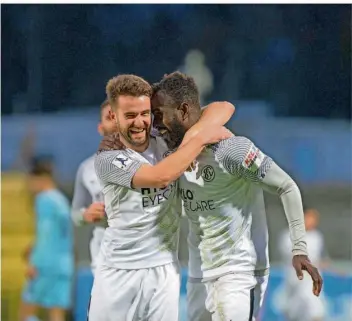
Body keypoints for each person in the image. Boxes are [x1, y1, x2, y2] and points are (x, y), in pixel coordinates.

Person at [148, 71, 323, 321]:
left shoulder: (231, 149)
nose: (155, 125)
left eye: (158, 115)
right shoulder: (171, 155)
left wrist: (300, 249)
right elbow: (221, 108)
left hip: (238, 274)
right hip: (198, 276)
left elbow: (287, 186)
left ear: (183, 110)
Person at [90, 74, 235, 321]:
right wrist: (201, 138)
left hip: (164, 270)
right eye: (130, 116)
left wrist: (192, 137)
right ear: (113, 117)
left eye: (145, 114)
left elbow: (224, 108)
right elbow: (160, 177)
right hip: (118, 273)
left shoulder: (164, 140)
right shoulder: (108, 158)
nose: (140, 122)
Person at [20, 157, 74, 321]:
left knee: (26, 312)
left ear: (40, 179)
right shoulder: (61, 200)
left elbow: (45, 233)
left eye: (31, 180)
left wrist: (34, 263)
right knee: (56, 314)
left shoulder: (44, 200)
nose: (29, 185)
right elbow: (58, 233)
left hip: (45, 264)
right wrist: (33, 246)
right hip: (64, 264)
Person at [71, 99, 117, 274]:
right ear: (101, 128)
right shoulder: (87, 168)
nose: (116, 122)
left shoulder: (148, 163)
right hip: (104, 256)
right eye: (109, 117)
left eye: (120, 116)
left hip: (144, 254)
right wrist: (86, 214)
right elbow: (75, 213)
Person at [278, 208, 327, 321]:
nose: (312, 221)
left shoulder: (317, 236)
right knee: (292, 311)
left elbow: (318, 258)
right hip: (295, 278)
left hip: (311, 278)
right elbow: (292, 256)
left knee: (315, 308)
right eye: (309, 217)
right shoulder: (288, 235)